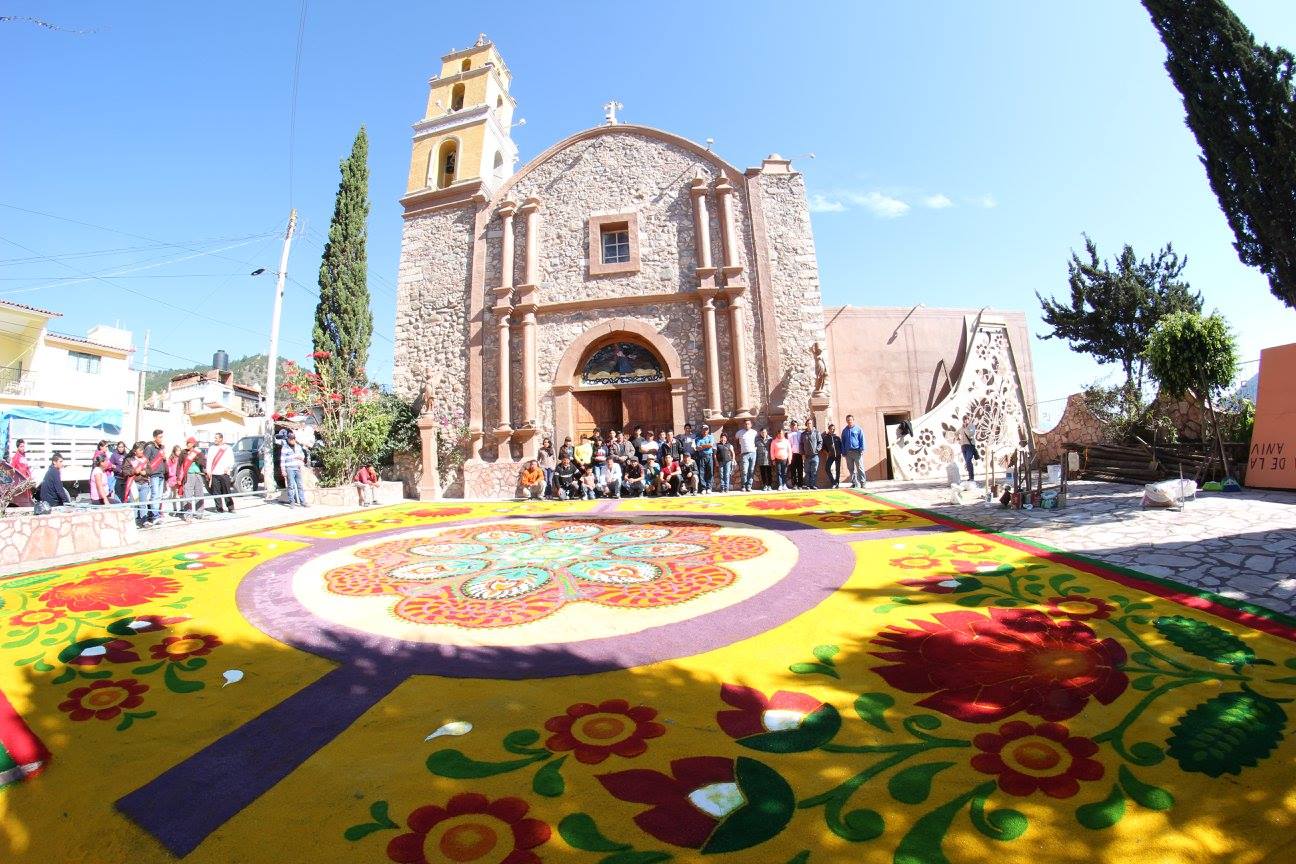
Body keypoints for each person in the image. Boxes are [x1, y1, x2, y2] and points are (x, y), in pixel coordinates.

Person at [180, 437, 208, 519]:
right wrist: (178, 477)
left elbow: (204, 463)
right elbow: (179, 465)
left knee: (199, 494)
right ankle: (188, 514)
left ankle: (200, 513)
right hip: (188, 475)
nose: (187, 444)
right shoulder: (183, 452)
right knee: (187, 495)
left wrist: (196, 459)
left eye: (188, 443)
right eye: (187, 443)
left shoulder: (198, 452)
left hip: (198, 474)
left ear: (193, 444)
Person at [207, 432, 236, 513]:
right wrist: (208, 471)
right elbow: (209, 460)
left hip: (224, 473)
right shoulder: (211, 448)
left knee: (227, 491)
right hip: (214, 473)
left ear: (221, 439)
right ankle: (219, 508)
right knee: (216, 492)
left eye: (217, 438)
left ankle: (231, 507)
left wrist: (229, 468)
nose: (215, 439)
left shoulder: (227, 448)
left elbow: (231, 460)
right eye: (215, 438)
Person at [143, 429, 166, 526]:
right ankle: (154, 516)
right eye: (160, 437)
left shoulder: (161, 448)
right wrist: (148, 472)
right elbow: (145, 460)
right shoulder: (150, 447)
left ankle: (156, 514)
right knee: (154, 495)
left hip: (161, 474)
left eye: (162, 437)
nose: (161, 439)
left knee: (159, 496)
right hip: (153, 475)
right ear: (155, 437)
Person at [279, 431, 308, 508]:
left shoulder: (298, 446)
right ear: (288, 439)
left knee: (300, 485)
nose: (292, 440)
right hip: (289, 468)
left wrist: (300, 457)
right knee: (291, 485)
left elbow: (303, 455)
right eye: (291, 439)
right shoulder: (285, 447)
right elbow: (282, 460)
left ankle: (303, 501)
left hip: (297, 467)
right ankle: (292, 501)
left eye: (293, 439)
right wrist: (283, 470)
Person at [842, 414, 867, 488]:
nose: (849, 421)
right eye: (848, 420)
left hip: (857, 452)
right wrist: (843, 452)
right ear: (846, 421)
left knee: (860, 468)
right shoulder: (844, 430)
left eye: (850, 420)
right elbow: (843, 441)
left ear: (853, 420)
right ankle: (854, 483)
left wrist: (862, 449)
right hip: (848, 453)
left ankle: (863, 483)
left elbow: (862, 439)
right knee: (851, 469)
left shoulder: (858, 429)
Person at [8, 438, 32, 507]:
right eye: (21, 446)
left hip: (26, 481)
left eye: (23, 446)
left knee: (28, 498)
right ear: (18, 447)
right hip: (20, 483)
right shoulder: (15, 457)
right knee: (21, 499)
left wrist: (30, 476)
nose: (23, 448)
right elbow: (11, 470)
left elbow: (27, 468)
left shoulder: (24, 456)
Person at [801, 418, 823, 490]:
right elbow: (801, 444)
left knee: (814, 471)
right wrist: (803, 454)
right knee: (807, 471)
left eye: (810, 423)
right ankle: (807, 485)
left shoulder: (817, 432)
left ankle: (813, 485)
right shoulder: (803, 434)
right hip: (807, 456)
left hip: (815, 456)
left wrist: (817, 449)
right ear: (806, 425)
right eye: (808, 424)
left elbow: (820, 442)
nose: (809, 425)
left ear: (812, 424)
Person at [736, 419, 757, 492]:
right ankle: (743, 486)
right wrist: (738, 450)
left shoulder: (754, 432)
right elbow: (736, 441)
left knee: (751, 470)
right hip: (744, 454)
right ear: (743, 425)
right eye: (745, 424)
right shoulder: (739, 433)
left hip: (753, 453)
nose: (747, 425)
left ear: (751, 425)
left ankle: (749, 486)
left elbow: (757, 441)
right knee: (744, 471)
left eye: (748, 424)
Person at [695, 424, 715, 494]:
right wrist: (707, 446)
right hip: (701, 457)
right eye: (704, 429)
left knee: (710, 472)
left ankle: (709, 488)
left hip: (709, 456)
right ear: (701, 430)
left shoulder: (711, 437)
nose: (705, 431)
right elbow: (697, 448)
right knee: (702, 473)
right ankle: (703, 488)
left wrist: (702, 446)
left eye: (706, 429)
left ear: (708, 430)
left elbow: (711, 445)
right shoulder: (698, 438)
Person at [822, 423, 842, 489]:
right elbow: (823, 447)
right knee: (827, 468)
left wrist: (840, 452)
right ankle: (833, 482)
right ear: (829, 429)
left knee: (837, 470)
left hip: (838, 456)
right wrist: (828, 453)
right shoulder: (826, 438)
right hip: (831, 456)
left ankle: (837, 483)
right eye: (831, 429)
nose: (833, 430)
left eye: (834, 429)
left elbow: (841, 446)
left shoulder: (837, 438)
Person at [787, 420, 803, 489]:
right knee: (793, 470)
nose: (794, 426)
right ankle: (794, 484)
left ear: (797, 426)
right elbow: (788, 445)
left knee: (800, 469)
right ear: (791, 426)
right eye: (792, 425)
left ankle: (800, 484)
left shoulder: (801, 433)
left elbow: (802, 443)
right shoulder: (788, 434)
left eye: (795, 425)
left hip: (799, 454)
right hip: (792, 454)